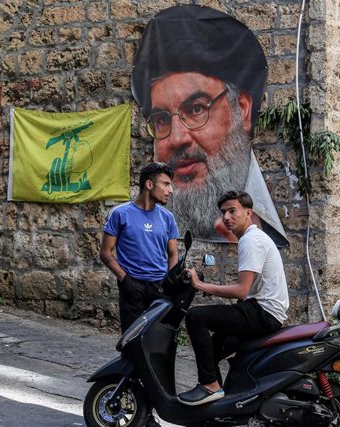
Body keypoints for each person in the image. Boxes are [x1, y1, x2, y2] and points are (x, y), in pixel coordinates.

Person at [131, 5, 288, 247]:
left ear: (243, 110)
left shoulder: (259, 237)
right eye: (161, 119)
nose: (176, 139)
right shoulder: (142, 220)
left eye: (196, 109)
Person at [178, 191, 289, 406]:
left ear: (248, 212)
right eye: (223, 212)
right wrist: (210, 288)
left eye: (232, 211)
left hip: (263, 313)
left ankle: (209, 385)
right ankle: (217, 403)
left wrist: (201, 285)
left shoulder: (251, 240)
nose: (227, 217)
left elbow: (241, 290)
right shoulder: (252, 238)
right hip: (260, 310)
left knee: (195, 317)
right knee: (215, 347)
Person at [100, 162, 179, 426]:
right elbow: (106, 253)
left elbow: (173, 254)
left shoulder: (167, 218)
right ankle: (134, 409)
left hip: (158, 294)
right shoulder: (120, 214)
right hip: (132, 290)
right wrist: (126, 280)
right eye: (165, 184)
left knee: (156, 353)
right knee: (133, 351)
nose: (170, 190)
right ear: (149, 184)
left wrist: (170, 282)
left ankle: (153, 410)